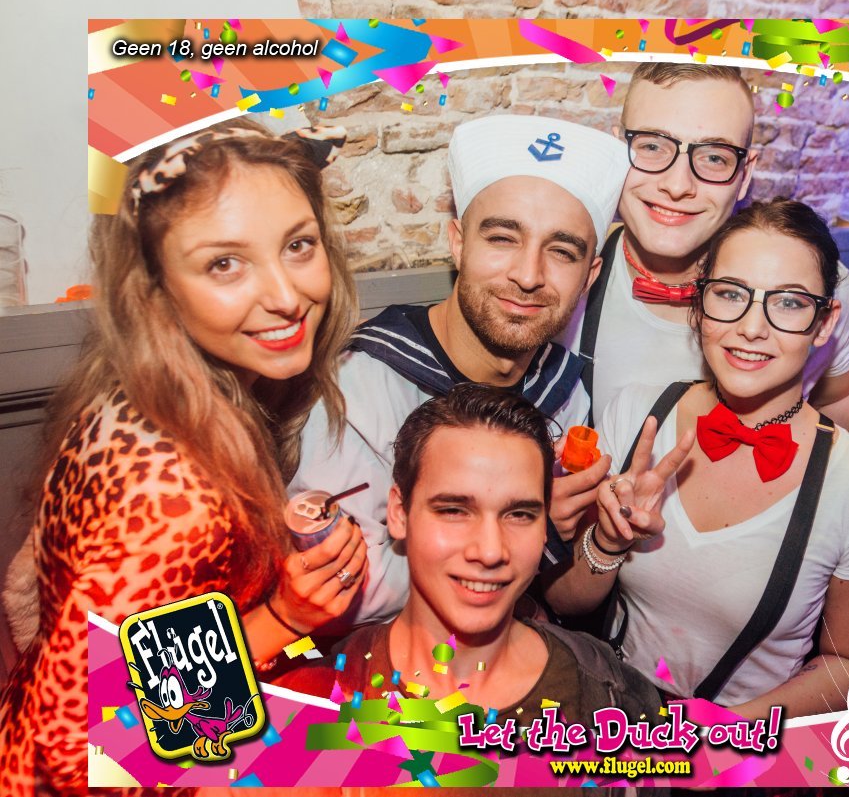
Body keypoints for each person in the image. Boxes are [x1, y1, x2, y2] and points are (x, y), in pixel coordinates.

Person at [0, 120, 364, 796]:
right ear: (155, 287)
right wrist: (285, 618)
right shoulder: (176, 497)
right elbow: (82, 745)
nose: (286, 295)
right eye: (224, 263)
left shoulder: (146, 389)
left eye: (298, 245)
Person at [546, 200, 849, 719]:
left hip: (745, 743)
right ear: (699, 305)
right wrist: (608, 539)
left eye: (788, 302)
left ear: (825, 322)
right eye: (731, 294)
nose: (752, 328)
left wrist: (727, 730)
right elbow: (564, 601)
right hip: (607, 717)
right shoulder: (637, 413)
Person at [292, 115, 629, 625]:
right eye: (502, 238)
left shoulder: (564, 394)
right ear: (457, 242)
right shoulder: (359, 387)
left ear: (590, 275)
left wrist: (598, 535)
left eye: (562, 251)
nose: (528, 275)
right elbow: (347, 587)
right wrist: (534, 538)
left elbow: (559, 592)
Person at [558, 62, 849, 470]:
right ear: (619, 152)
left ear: (745, 173)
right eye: (652, 146)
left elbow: (841, 397)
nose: (677, 185)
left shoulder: (813, 291)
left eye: (714, 157)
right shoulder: (566, 272)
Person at [277, 384, 663, 725]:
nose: (491, 551)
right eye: (454, 511)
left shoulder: (612, 699)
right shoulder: (315, 700)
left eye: (519, 514)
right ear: (399, 513)